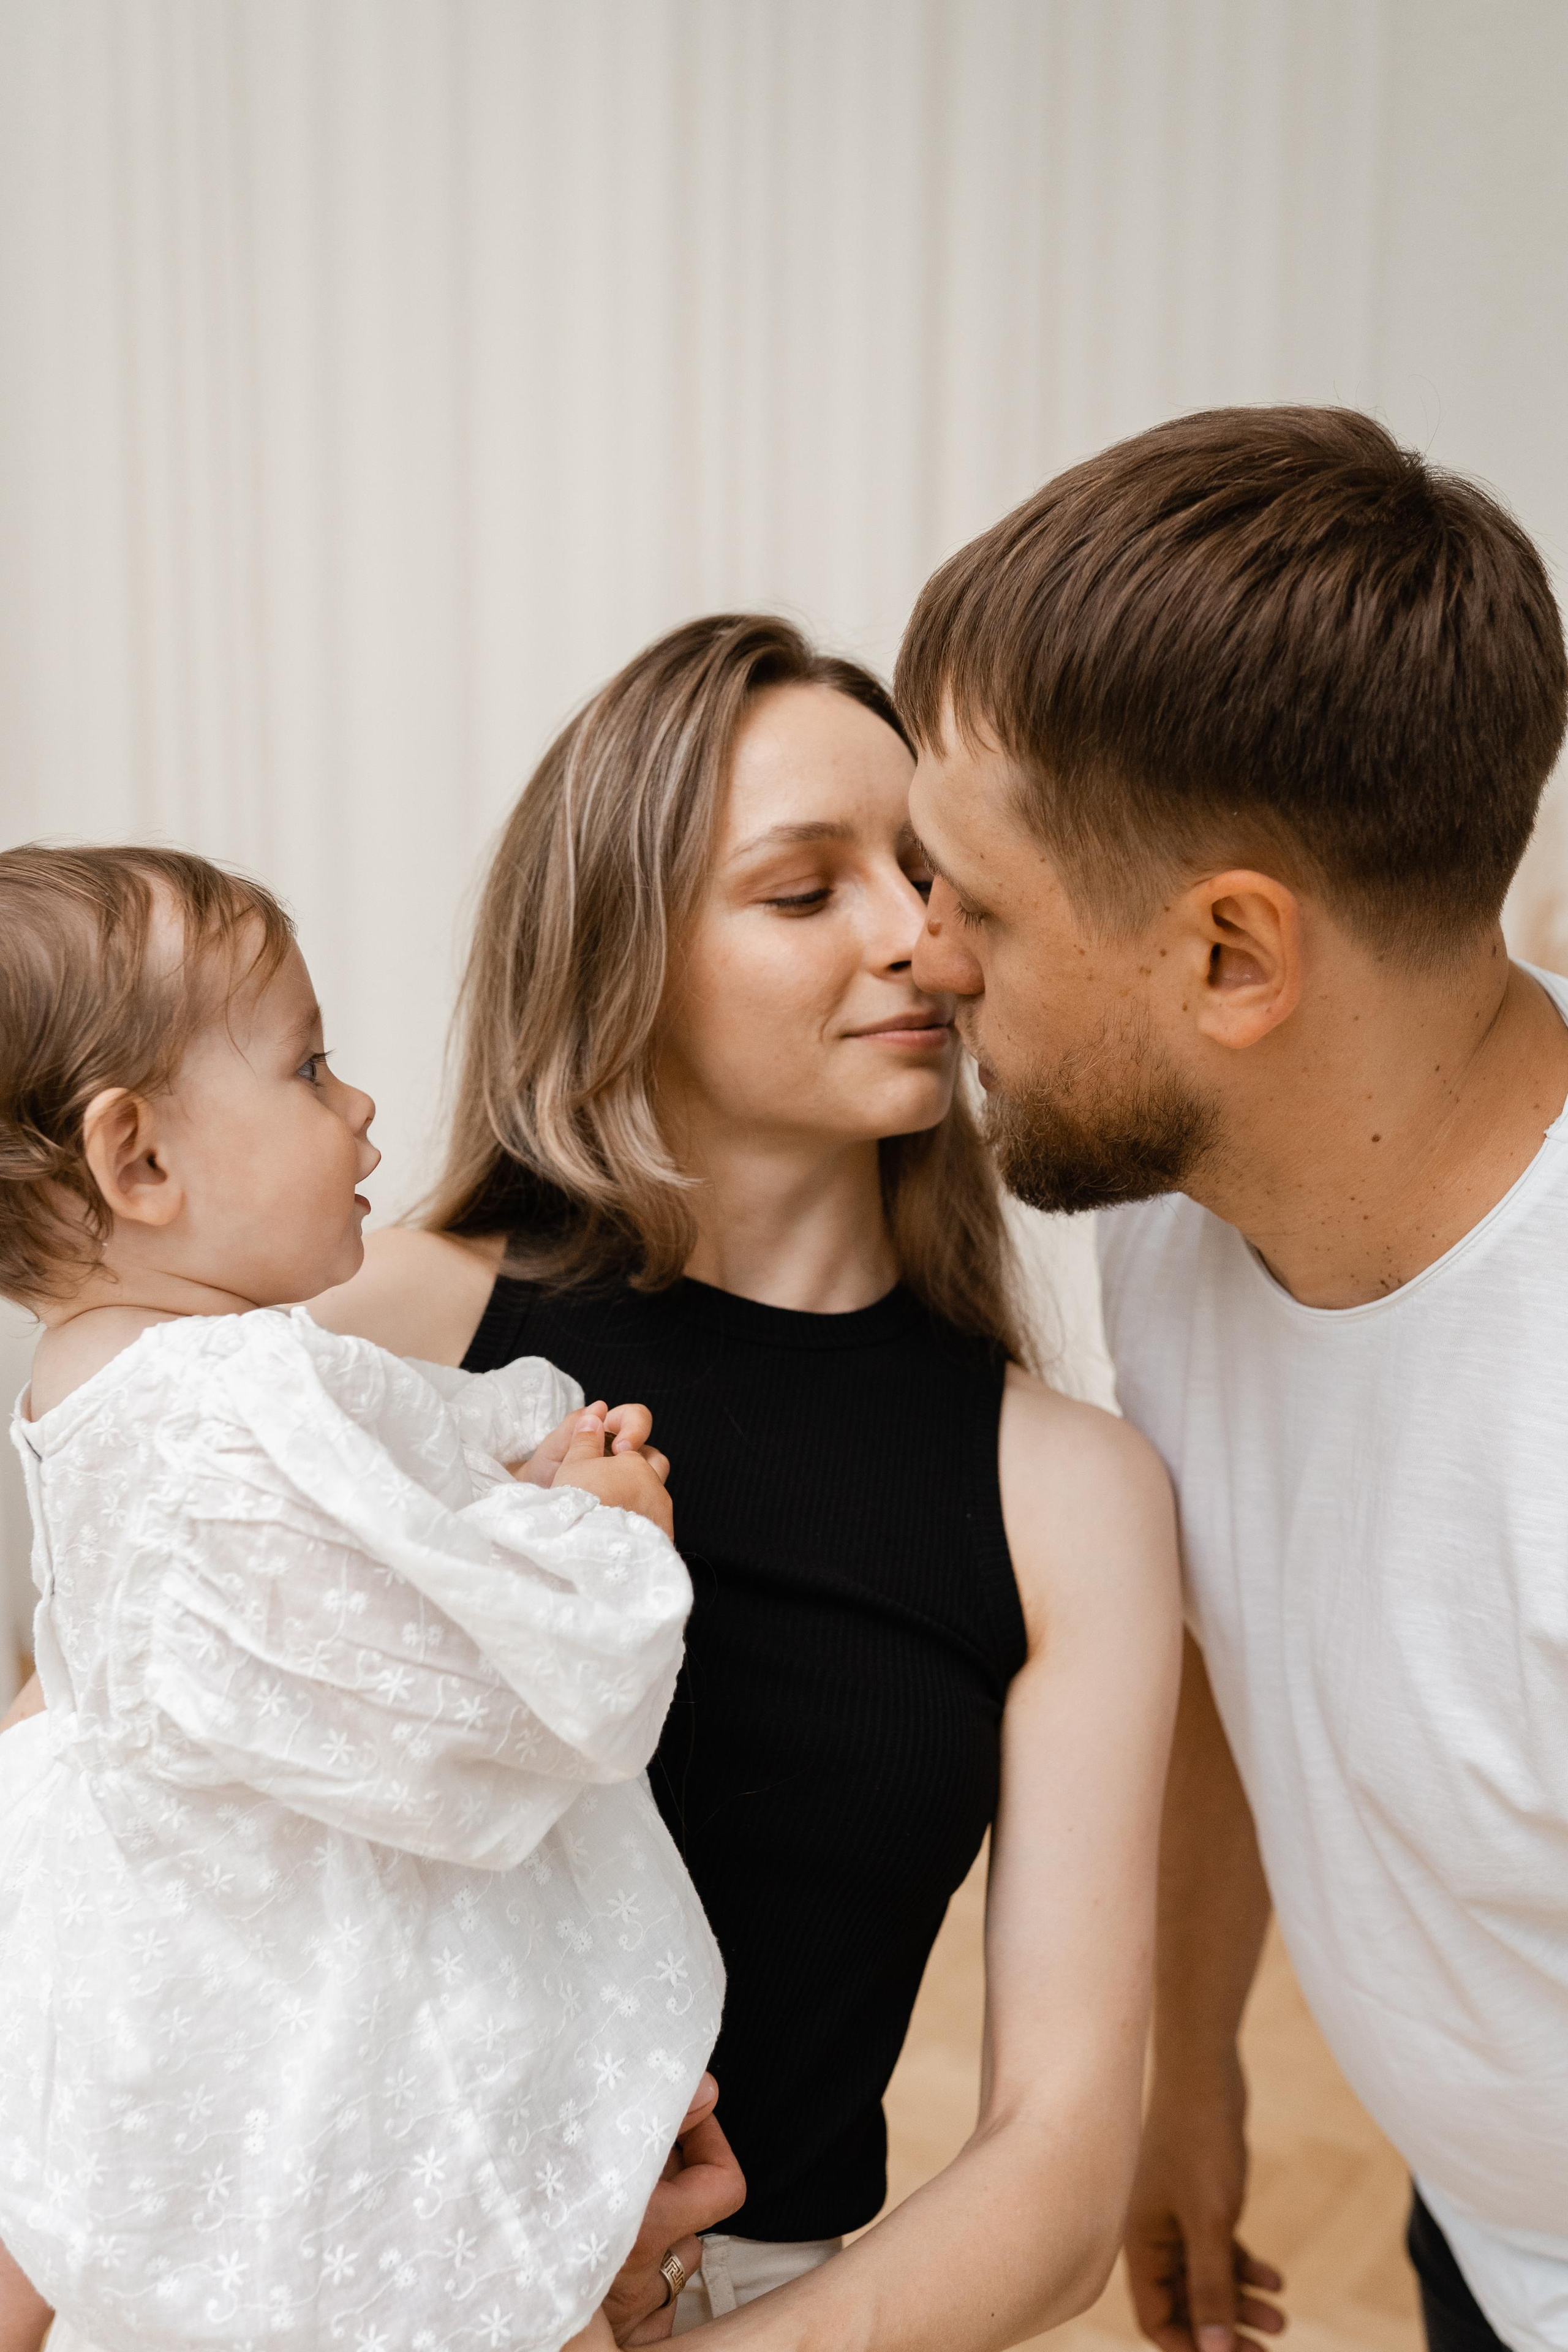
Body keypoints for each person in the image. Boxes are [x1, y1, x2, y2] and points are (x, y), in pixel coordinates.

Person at [311, 612, 1182, 2349]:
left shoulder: (1073, 1491)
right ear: (624, 954)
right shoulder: (377, 1338)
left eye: (931, 876)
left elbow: (1062, 2163)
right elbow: (102, 1845)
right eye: (807, 894)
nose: (916, 939)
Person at [899, 405, 1568, 2352]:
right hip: (1486, 2225)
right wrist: (1187, 2062)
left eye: (979, 904)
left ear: (1228, 958)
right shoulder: (1184, 1202)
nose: (921, 955)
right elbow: (1234, 1631)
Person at [0, 844, 728, 2352]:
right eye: (308, 1063)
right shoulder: (222, 1407)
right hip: (355, 2069)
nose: (360, 1104)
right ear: (139, 1161)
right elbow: (469, 1725)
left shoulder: (89, 1400)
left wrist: (492, 1499)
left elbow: (346, 1592)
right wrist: (595, 1538)